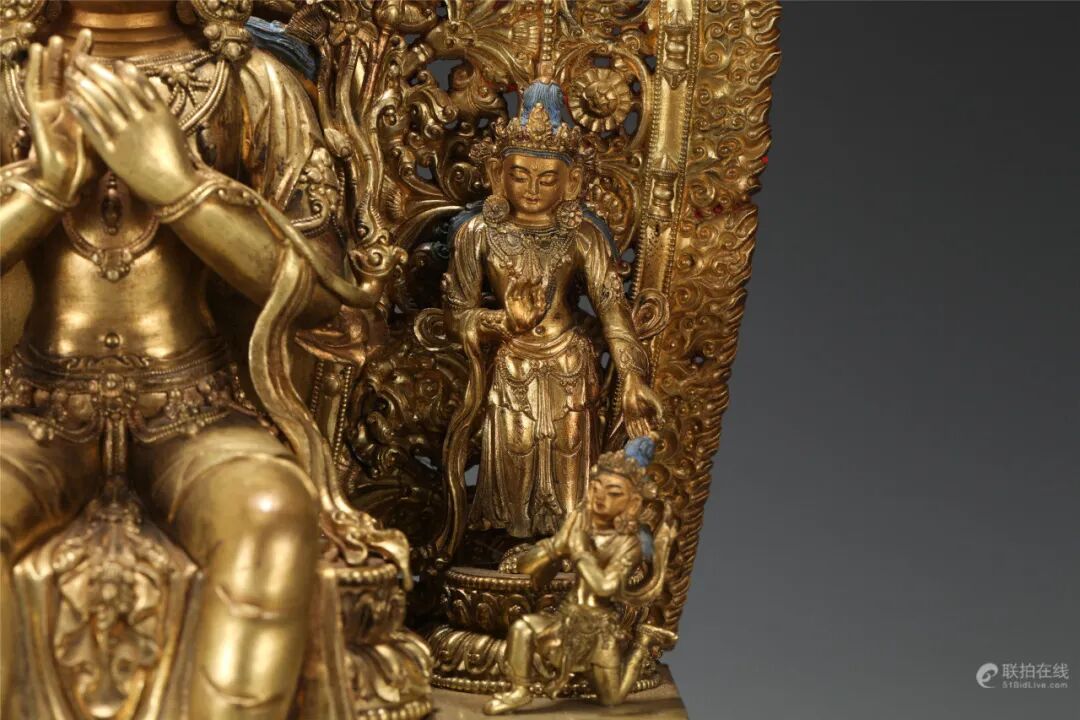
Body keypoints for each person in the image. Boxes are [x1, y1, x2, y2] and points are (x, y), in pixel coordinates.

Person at [483, 436, 678, 714]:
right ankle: (519, 690)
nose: (601, 498)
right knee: (523, 629)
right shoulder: (580, 524)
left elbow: (606, 586)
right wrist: (554, 548)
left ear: (633, 502)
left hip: (601, 628)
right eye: (596, 488)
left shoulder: (629, 543)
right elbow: (526, 569)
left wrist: (579, 552)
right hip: (567, 616)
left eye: (614, 493)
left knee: (611, 698)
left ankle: (642, 644)